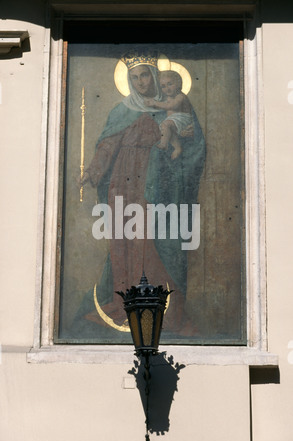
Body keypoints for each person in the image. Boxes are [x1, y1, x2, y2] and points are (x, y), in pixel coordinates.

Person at [71, 53, 206, 340]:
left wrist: (179, 144)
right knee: (126, 240)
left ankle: (164, 310)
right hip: (122, 182)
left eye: (145, 75)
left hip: (158, 186)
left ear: (155, 76)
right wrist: (92, 171)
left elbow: (193, 146)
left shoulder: (174, 105)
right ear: (129, 81)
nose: (140, 82)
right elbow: (107, 147)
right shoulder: (121, 111)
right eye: (134, 77)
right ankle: (127, 303)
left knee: (153, 240)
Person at [144, 70, 193, 160]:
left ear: (178, 84)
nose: (167, 88)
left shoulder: (180, 96)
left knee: (165, 125)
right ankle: (177, 148)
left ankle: (163, 144)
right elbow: (164, 106)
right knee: (168, 131)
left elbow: (171, 106)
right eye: (163, 86)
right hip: (173, 120)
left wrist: (155, 103)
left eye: (170, 84)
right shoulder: (169, 97)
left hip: (182, 119)